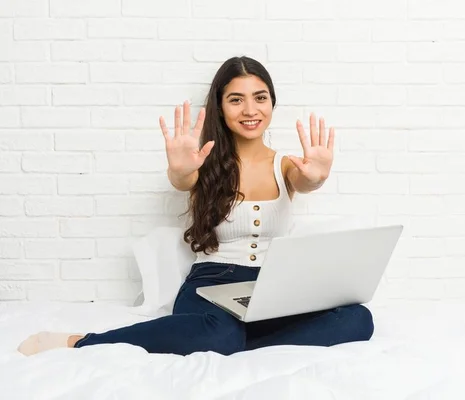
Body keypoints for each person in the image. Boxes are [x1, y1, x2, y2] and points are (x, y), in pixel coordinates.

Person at [17, 56, 374, 357]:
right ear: (220, 106)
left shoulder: (286, 165)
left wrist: (319, 176)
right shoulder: (201, 161)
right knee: (218, 333)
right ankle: (82, 342)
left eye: (260, 97)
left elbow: (305, 182)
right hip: (211, 285)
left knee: (359, 319)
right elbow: (182, 180)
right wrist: (180, 169)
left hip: (272, 287)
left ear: (272, 102)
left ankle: (237, 344)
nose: (250, 110)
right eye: (236, 99)